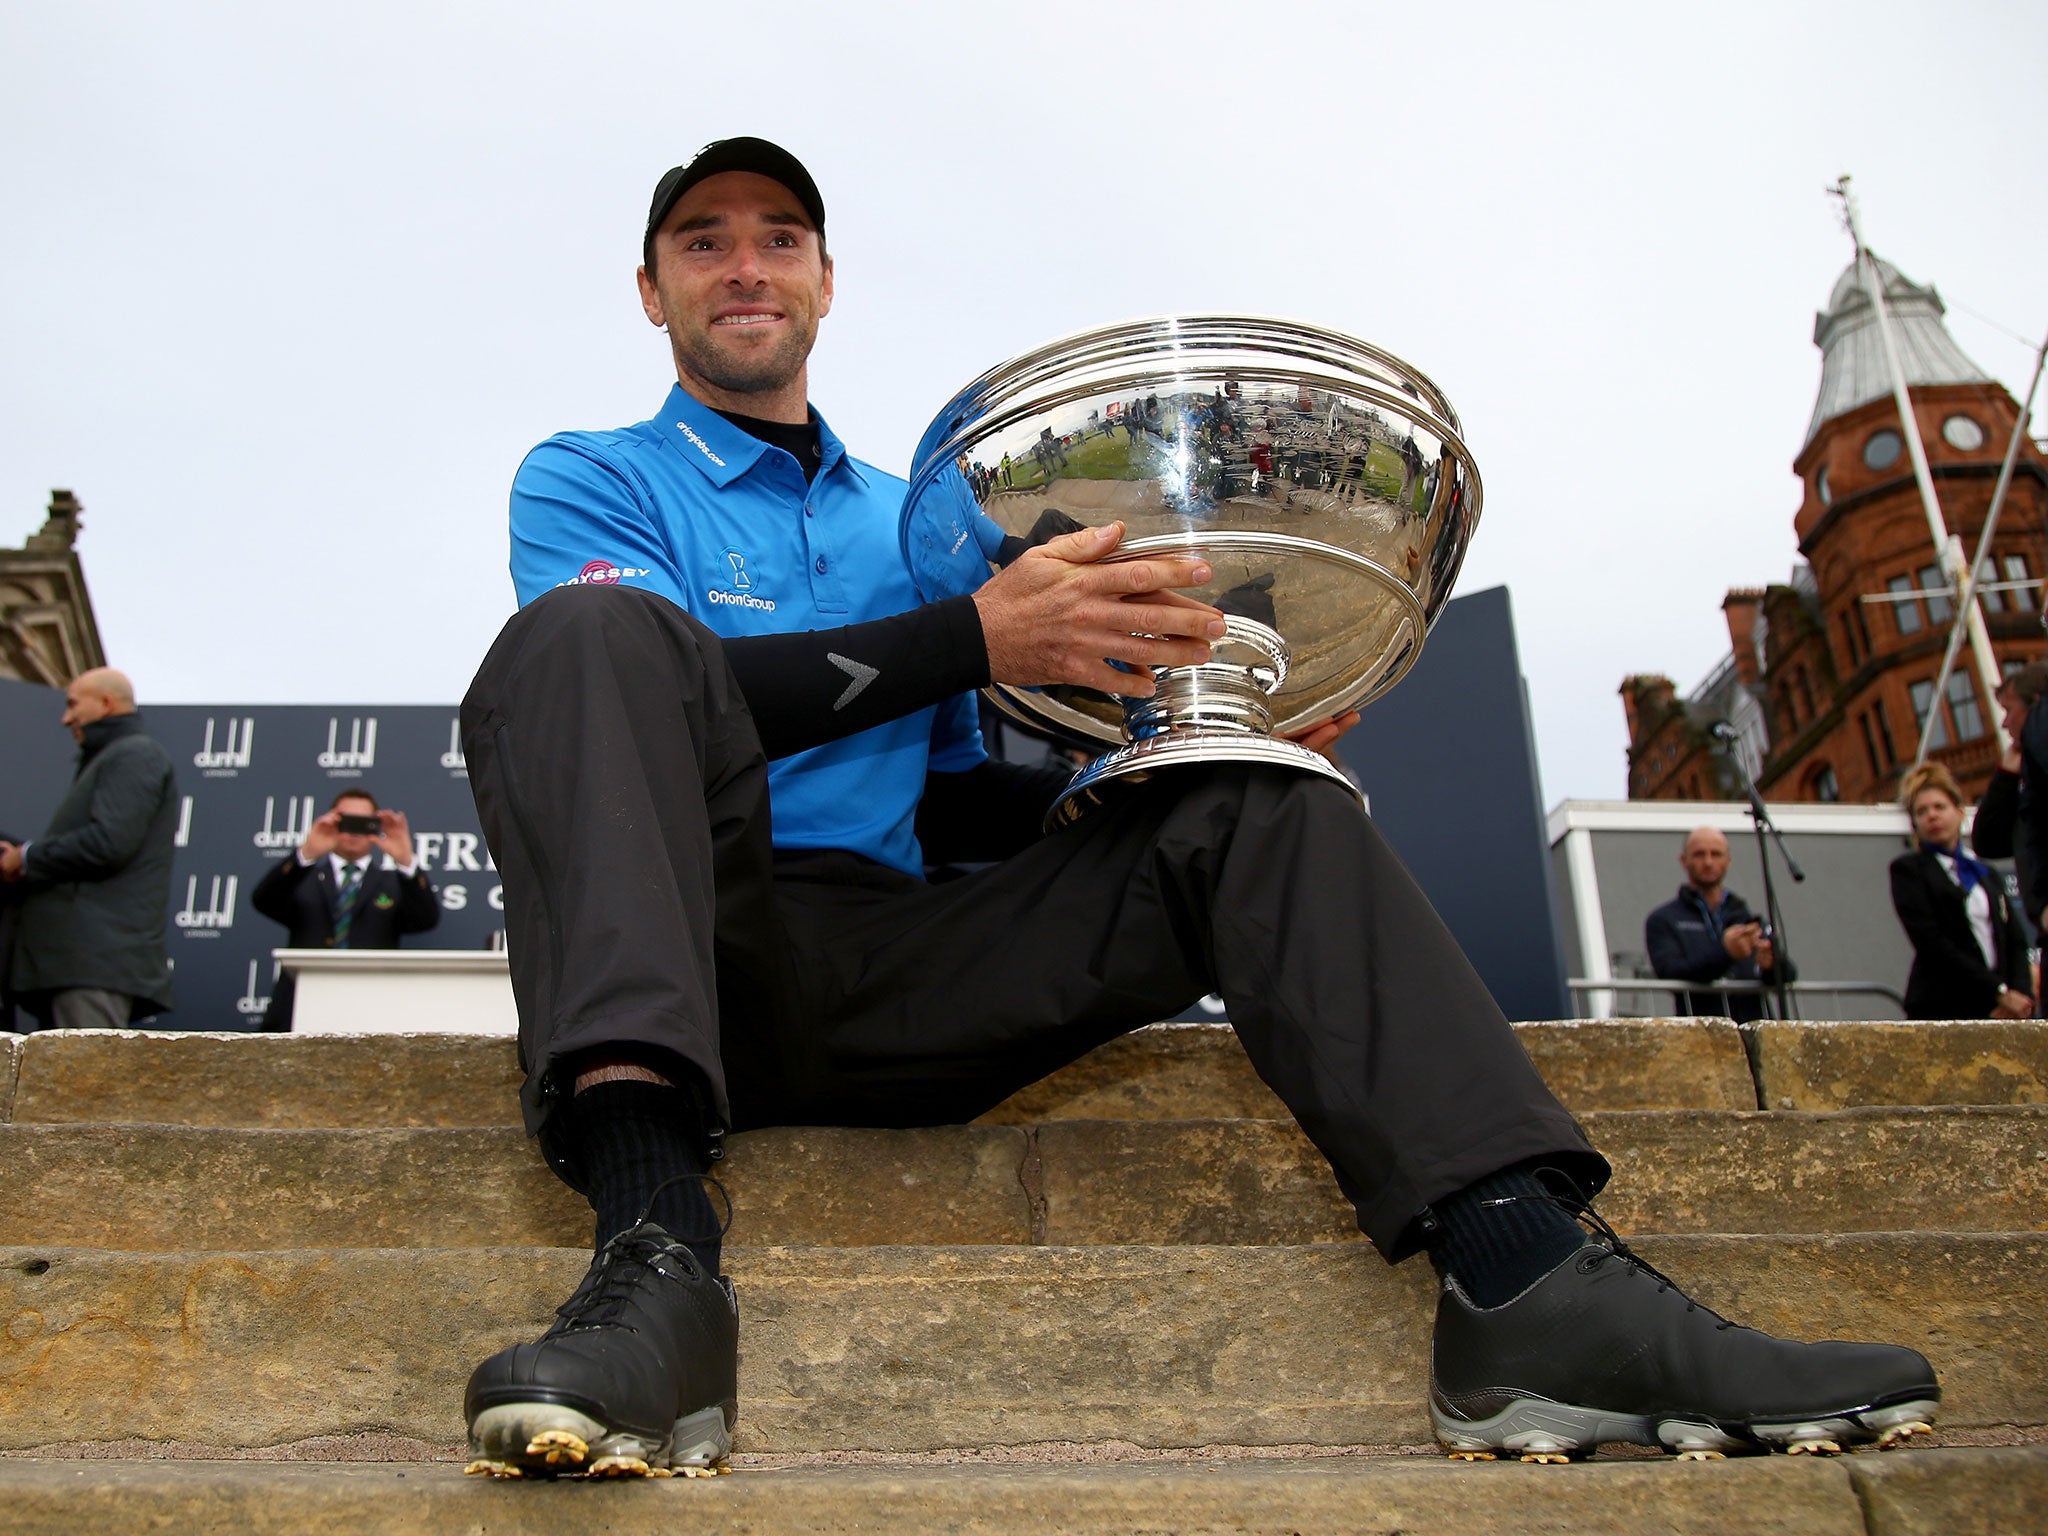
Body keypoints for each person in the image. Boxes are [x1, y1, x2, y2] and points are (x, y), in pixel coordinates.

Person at [454, 137, 1938, 1480]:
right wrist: (974, 636)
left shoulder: (923, 521)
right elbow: (655, 699)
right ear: (650, 292)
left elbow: (975, 801)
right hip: (686, 961)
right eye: (703, 241)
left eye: (780, 236)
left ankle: (1531, 1281)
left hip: (891, 969)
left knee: (1249, 795)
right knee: (587, 645)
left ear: (828, 281)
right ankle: (654, 1261)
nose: (745, 263)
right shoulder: (592, 477)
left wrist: (1205, 728)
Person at [0, 668, 177, 1029]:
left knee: (88, 1083)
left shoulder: (134, 754)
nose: (66, 719)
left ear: (106, 703)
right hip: (75, 963)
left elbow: (109, 844)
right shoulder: (115, 756)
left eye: (72, 705)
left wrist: (27, 857)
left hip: (93, 964)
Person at [249, 788, 439, 1031]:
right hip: (300, 1004)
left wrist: (405, 861)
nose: (353, 830)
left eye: (364, 822)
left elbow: (426, 919)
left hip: (371, 1006)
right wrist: (306, 853)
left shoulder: (393, 882)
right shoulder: (303, 877)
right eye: (346, 821)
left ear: (375, 826)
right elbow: (264, 900)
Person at [1890, 762, 2034, 1021]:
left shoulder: (1983, 872)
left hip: (2000, 1010)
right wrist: (1998, 991)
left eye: (1939, 807)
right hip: (1944, 1006)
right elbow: (1932, 943)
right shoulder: (1909, 871)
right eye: (1922, 812)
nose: (1932, 816)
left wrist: (2021, 997)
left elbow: (2014, 938)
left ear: (1959, 812)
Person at [1642, 826, 1789, 1023]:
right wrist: (1726, 953)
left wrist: (1771, 964)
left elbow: (1788, 974)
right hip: (1698, 1035)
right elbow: (1671, 974)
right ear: (1684, 861)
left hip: (1753, 1032)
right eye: (1699, 854)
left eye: (1716, 854)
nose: (1708, 862)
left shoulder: (1745, 916)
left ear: (1728, 860)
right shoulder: (1664, 919)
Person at [1968, 661, 2048, 934]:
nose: (2004, 723)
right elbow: (1988, 841)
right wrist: (2006, 776)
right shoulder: (2024, 782)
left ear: (2036, 704)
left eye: (2009, 710)